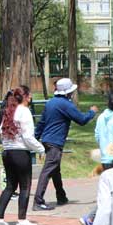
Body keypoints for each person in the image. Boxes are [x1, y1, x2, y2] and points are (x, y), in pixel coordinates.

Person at [34, 77, 97, 211]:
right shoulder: (66, 105)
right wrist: (92, 112)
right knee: (48, 170)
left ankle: (61, 196)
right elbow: (81, 120)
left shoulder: (50, 103)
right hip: (55, 142)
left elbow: (41, 123)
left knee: (55, 170)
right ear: (68, 93)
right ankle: (38, 201)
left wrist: (35, 139)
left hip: (46, 140)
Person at [0, 85, 44, 225]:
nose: (31, 98)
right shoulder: (25, 112)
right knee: (25, 186)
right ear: (25, 96)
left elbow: (0, 130)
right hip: (20, 153)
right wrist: (40, 149)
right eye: (30, 95)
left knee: (10, 186)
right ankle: (22, 220)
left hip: (7, 153)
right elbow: (28, 137)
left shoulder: (8, 111)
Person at [79, 91, 113, 225]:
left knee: (112, 192)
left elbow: (97, 135)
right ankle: (91, 218)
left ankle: (102, 220)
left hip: (106, 158)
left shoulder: (101, 117)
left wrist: (104, 147)